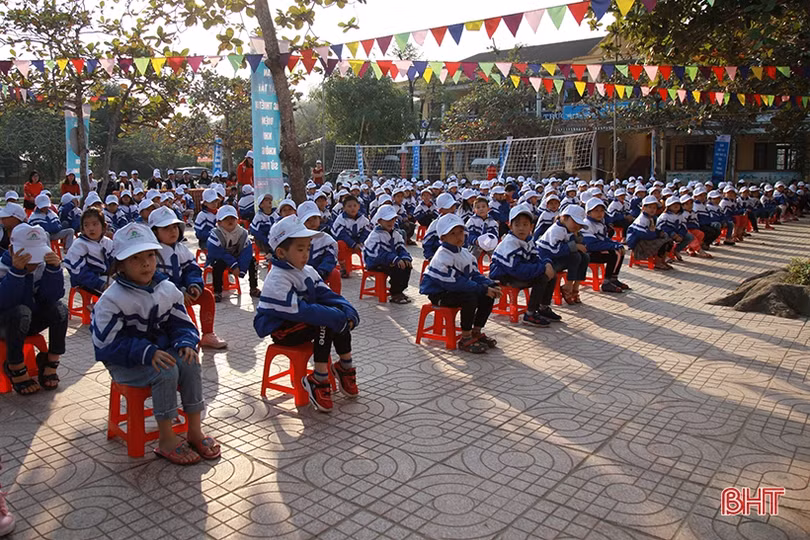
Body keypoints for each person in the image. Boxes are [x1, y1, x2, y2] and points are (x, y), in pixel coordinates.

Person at [92, 223, 220, 464]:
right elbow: (106, 344)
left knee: (190, 362)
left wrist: (185, 341)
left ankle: (194, 430)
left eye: (150, 255)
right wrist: (146, 352)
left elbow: (182, 323)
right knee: (166, 370)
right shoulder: (112, 300)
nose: (146, 263)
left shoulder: (166, 289)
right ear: (120, 265)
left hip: (159, 352)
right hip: (124, 362)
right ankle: (167, 437)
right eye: (135, 258)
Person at [254, 215, 360, 413]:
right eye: (300, 249)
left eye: (308, 248)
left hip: (302, 323)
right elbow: (299, 311)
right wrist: (333, 315)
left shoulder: (308, 270)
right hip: (283, 330)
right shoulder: (277, 277)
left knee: (336, 316)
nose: (306, 254)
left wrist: (347, 310)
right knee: (326, 320)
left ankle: (345, 366)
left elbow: (327, 295)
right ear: (281, 252)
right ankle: (318, 380)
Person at [0, 224, 68, 394]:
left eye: (37, 256)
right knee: (20, 311)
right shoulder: (2, 268)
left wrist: (54, 271)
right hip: (4, 322)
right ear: (11, 250)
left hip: (27, 320)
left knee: (60, 310)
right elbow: (4, 302)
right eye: (27, 256)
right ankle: (15, 366)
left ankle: (50, 362)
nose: (33, 262)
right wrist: (16, 273)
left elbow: (51, 297)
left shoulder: (40, 267)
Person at [420, 214, 501, 354]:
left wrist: (490, 284)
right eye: (452, 233)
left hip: (455, 289)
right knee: (471, 296)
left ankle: (476, 331)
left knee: (487, 295)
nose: (458, 236)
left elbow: (474, 274)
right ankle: (465, 337)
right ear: (442, 238)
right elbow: (453, 283)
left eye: (460, 232)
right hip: (440, 293)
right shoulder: (442, 256)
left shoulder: (465, 253)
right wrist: (481, 289)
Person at [149, 207, 227, 349]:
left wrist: (193, 284)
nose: (172, 231)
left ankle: (208, 334)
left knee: (207, 296)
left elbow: (192, 269)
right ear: (155, 232)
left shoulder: (181, 249)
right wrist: (177, 291)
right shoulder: (153, 254)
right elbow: (155, 276)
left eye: (174, 227)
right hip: (163, 296)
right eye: (166, 228)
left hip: (183, 291)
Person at [490, 204, 560, 327]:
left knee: (551, 274)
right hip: (506, 275)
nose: (521, 228)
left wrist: (546, 263)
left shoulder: (528, 240)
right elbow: (517, 270)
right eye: (517, 225)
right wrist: (542, 268)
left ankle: (543, 307)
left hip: (519, 271)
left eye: (525, 224)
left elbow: (536, 256)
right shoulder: (509, 243)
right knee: (541, 277)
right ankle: (530, 313)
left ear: (531, 226)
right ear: (510, 226)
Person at [537, 205, 590, 305]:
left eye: (580, 224)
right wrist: (575, 245)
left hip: (557, 258)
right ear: (564, 218)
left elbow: (578, 244)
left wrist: (577, 237)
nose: (577, 226)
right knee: (575, 256)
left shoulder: (569, 229)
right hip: (547, 260)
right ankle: (567, 286)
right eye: (575, 222)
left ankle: (575, 287)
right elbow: (555, 250)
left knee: (584, 256)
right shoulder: (556, 230)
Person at [206, 205, 260, 301]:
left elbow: (247, 250)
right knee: (218, 265)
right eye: (226, 219)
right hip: (221, 259)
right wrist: (233, 265)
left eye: (232, 218)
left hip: (237, 258)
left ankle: (253, 287)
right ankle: (217, 291)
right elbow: (216, 252)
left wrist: (242, 268)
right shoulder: (216, 234)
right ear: (219, 222)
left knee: (253, 261)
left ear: (237, 220)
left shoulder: (242, 233)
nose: (230, 221)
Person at [363, 205, 413, 304]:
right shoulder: (375, 236)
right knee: (396, 267)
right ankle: (395, 293)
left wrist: (405, 257)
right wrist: (394, 259)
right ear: (379, 221)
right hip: (375, 263)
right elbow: (377, 255)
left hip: (390, 260)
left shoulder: (396, 234)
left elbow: (401, 248)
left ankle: (399, 290)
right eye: (387, 220)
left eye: (393, 219)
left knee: (406, 265)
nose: (391, 222)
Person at [582, 198, 629, 293]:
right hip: (587, 253)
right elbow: (591, 245)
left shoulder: (600, 223)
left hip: (596, 250)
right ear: (588, 213)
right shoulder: (587, 224)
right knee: (614, 253)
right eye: (596, 211)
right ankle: (606, 282)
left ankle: (613, 279)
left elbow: (604, 239)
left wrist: (616, 244)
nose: (600, 213)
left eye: (602, 210)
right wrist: (612, 246)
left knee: (619, 250)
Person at [64, 208, 113, 298]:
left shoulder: (107, 242)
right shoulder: (79, 245)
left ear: (104, 227)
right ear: (82, 229)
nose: (91, 228)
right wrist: (101, 284)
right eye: (86, 225)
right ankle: (100, 309)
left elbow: (114, 262)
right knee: (115, 291)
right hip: (85, 282)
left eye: (95, 224)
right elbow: (80, 272)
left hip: (104, 276)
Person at [626, 195, 674, 270]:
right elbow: (642, 234)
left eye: (654, 208)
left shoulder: (650, 218)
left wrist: (659, 232)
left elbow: (654, 230)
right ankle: (658, 262)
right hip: (638, 244)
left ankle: (662, 260)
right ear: (644, 208)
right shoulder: (642, 219)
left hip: (645, 240)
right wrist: (656, 235)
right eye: (650, 207)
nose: (652, 210)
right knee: (663, 241)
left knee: (668, 240)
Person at [298, 201, 338, 283]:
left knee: (335, 274)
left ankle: (334, 295)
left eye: (315, 218)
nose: (312, 222)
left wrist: (322, 271)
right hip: (300, 273)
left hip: (321, 272)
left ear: (320, 218)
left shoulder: (326, 239)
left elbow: (330, 257)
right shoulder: (296, 239)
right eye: (308, 220)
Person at [331, 195, 371, 278]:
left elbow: (366, 232)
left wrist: (361, 242)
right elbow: (341, 235)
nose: (352, 208)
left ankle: (370, 265)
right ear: (344, 208)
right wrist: (353, 244)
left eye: (355, 206)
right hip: (346, 244)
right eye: (349, 206)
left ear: (359, 207)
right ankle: (343, 267)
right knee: (339, 244)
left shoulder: (363, 219)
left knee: (371, 242)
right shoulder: (340, 219)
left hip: (359, 243)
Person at [422, 193, 458, 261]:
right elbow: (427, 241)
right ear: (440, 210)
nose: (453, 209)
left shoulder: (458, 220)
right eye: (449, 207)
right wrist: (430, 255)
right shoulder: (436, 224)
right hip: (439, 252)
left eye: (453, 206)